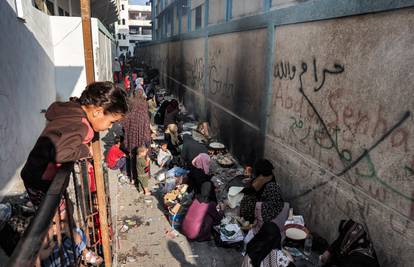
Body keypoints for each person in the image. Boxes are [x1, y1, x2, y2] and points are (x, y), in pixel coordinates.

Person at [240, 159, 284, 224]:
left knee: (247, 199)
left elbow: (251, 190)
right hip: (263, 202)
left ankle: (249, 219)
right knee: (246, 199)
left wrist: (240, 190)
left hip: (267, 209)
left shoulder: (266, 181)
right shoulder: (268, 175)